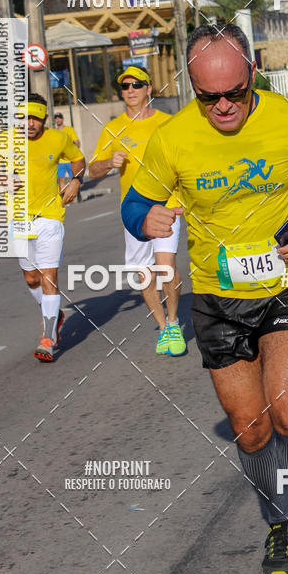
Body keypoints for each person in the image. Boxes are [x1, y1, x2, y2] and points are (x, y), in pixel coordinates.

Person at [122, 24, 288, 574]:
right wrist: (142, 219)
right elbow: (135, 203)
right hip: (218, 296)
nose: (223, 105)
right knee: (250, 429)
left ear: (251, 73)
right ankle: (277, 521)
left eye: (234, 92)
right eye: (208, 97)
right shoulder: (172, 137)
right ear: (192, 87)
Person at [88, 65, 186, 356]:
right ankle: (162, 326)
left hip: (167, 204)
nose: (130, 90)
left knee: (166, 267)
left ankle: (173, 321)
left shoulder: (168, 123)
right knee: (145, 274)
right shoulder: (113, 128)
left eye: (136, 85)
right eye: (125, 86)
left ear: (148, 89)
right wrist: (108, 163)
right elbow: (93, 169)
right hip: (134, 212)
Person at [0, 93, 85, 361]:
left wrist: (75, 180)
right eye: (25, 118)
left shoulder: (58, 138)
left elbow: (78, 159)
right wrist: (2, 177)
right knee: (31, 278)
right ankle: (55, 314)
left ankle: (49, 338)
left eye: (36, 119)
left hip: (50, 217)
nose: (30, 123)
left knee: (49, 276)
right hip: (18, 218)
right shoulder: (5, 140)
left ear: (45, 119)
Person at [54, 112, 81, 196]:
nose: (58, 120)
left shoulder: (69, 129)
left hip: (70, 160)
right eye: (56, 118)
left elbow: (77, 142)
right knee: (61, 179)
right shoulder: (54, 132)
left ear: (62, 119)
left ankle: (77, 193)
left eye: (59, 118)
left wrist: (74, 154)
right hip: (60, 161)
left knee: (73, 178)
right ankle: (64, 197)